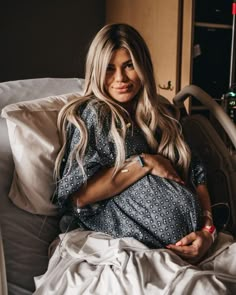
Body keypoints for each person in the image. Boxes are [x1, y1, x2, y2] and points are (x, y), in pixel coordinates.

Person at [53, 23, 215, 264]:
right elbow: (80, 195)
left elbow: (196, 173)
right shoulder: (96, 115)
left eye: (129, 66)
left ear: (143, 66)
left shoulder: (162, 114)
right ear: (97, 72)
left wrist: (207, 231)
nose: (120, 79)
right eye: (109, 69)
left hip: (194, 247)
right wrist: (145, 162)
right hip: (136, 249)